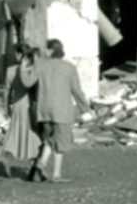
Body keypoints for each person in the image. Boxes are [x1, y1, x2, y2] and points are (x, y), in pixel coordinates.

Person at [21, 38, 92, 183]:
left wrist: (23, 68)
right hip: (62, 110)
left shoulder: (40, 65)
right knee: (61, 142)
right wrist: (86, 109)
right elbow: (76, 91)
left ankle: (41, 165)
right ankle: (56, 174)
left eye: (46, 49)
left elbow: (27, 82)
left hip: (44, 110)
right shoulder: (70, 68)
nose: (44, 52)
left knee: (50, 140)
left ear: (51, 51)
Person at [0, 43, 41, 178]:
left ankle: (7, 158)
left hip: (17, 104)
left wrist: (6, 108)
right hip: (31, 104)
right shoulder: (33, 70)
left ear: (18, 55)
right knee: (33, 135)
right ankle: (36, 165)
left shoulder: (10, 70)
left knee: (14, 133)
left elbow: (6, 91)